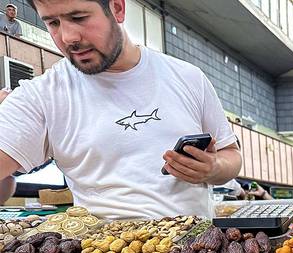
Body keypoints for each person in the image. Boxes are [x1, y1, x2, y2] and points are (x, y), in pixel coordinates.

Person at [0, 0, 242, 219]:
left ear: (117, 8)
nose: (68, 37)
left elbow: (231, 155)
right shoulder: (40, 96)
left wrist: (212, 168)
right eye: (53, 23)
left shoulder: (188, 78)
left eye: (79, 18)